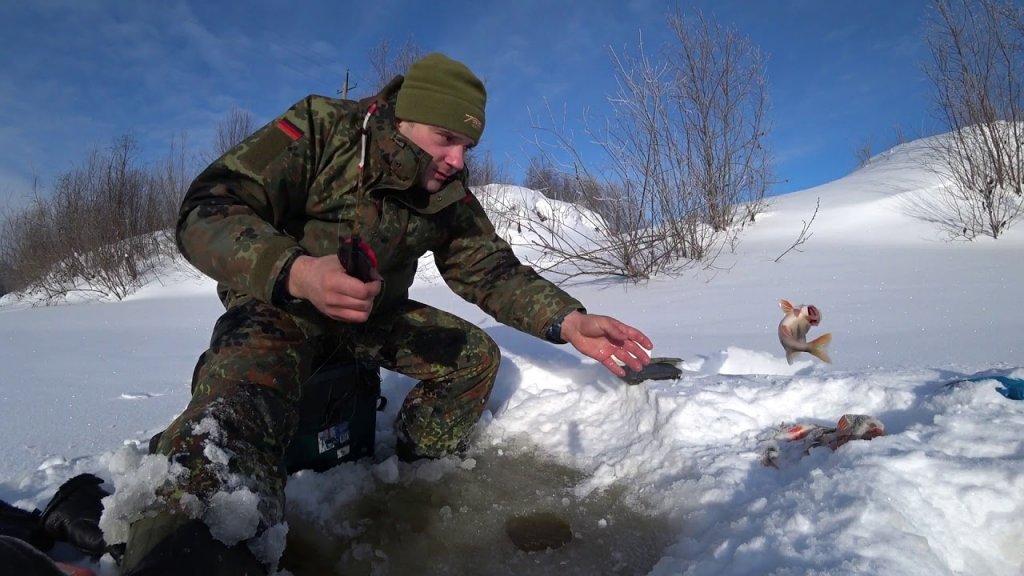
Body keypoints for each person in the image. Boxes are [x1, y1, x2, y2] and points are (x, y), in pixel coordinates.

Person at [119, 52, 652, 575]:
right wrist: (298, 272)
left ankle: (413, 470)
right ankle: (199, 535)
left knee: (472, 359)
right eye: (447, 139)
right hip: (279, 305)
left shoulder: (447, 193)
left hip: (372, 317)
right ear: (405, 119)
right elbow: (207, 209)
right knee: (242, 397)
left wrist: (567, 320)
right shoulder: (321, 127)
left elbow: (488, 270)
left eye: (467, 146)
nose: (458, 160)